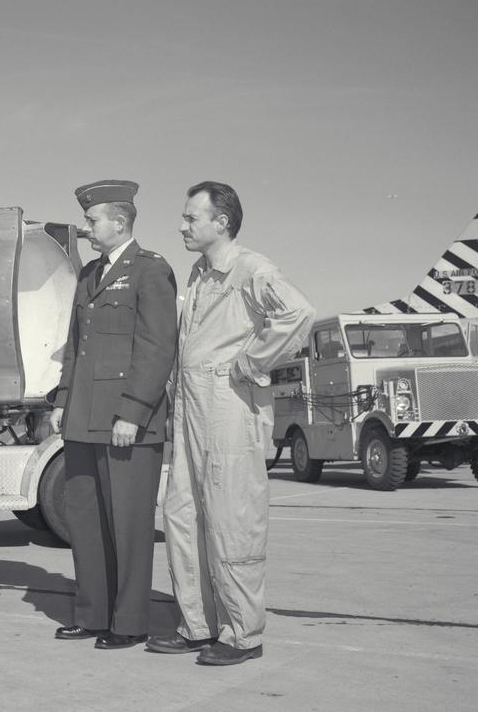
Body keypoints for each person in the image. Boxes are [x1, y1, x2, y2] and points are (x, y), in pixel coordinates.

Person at [149, 181, 315, 665]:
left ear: (221, 222)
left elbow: (299, 314)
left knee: (231, 517)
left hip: (228, 405)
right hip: (191, 409)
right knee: (182, 515)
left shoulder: (251, 269)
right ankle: (198, 626)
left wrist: (250, 363)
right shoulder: (200, 273)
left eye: (190, 218)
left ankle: (243, 634)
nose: (182, 225)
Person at [47, 180, 178, 650]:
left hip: (127, 424)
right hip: (83, 418)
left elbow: (158, 347)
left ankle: (129, 622)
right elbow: (75, 349)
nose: (86, 228)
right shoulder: (88, 275)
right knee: (85, 521)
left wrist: (134, 412)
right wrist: (62, 402)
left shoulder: (150, 270)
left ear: (119, 223)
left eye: (92, 220)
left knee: (128, 525)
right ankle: (93, 614)